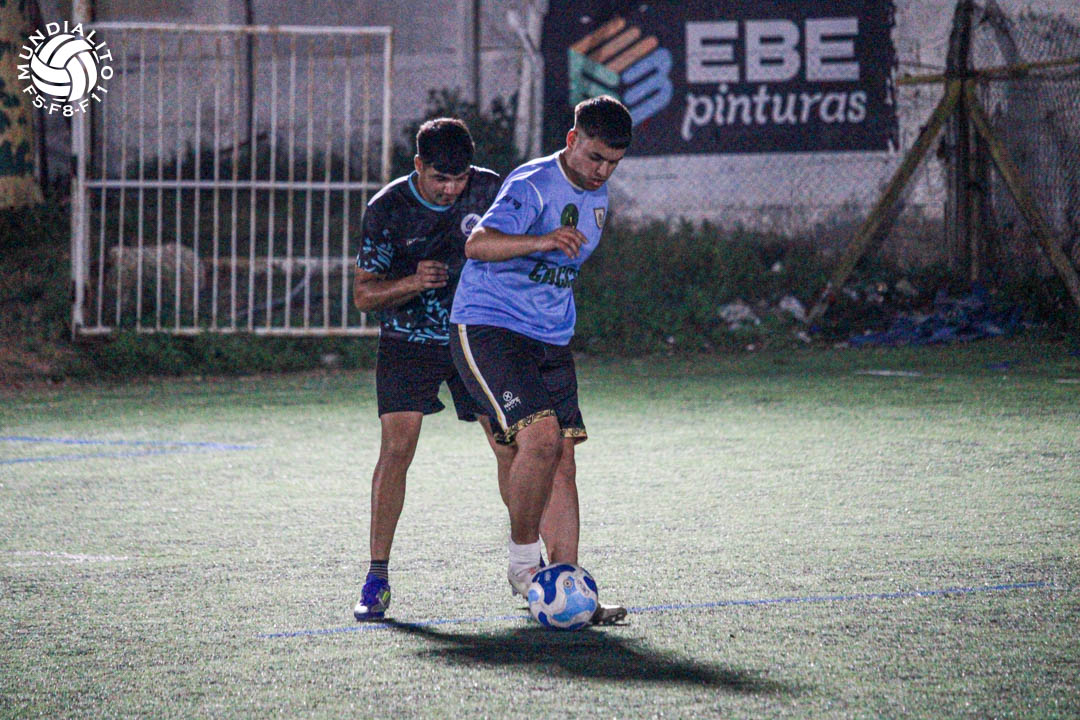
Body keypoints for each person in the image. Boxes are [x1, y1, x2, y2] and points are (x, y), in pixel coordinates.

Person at [449, 95, 632, 625]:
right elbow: (478, 244)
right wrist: (542, 240)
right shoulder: (532, 184)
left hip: (550, 336)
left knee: (564, 459)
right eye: (595, 157)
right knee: (540, 438)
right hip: (489, 326)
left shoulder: (598, 194)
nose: (602, 171)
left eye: (613, 163)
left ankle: (568, 589)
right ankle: (525, 564)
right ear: (572, 140)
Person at [351, 118, 511, 620]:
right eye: (441, 178)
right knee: (397, 450)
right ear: (418, 165)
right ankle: (376, 578)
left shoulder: (490, 190)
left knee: (509, 446)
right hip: (408, 341)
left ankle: (529, 567)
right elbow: (363, 296)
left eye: (459, 178)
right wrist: (413, 282)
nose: (452, 189)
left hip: (474, 337)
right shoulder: (387, 208)